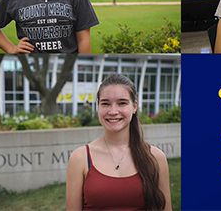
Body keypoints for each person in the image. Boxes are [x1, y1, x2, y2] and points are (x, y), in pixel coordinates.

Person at [66, 74, 171, 211]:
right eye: (105, 103)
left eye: (122, 103)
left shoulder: (155, 157)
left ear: (134, 107)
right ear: (97, 106)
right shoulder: (80, 158)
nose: (113, 111)